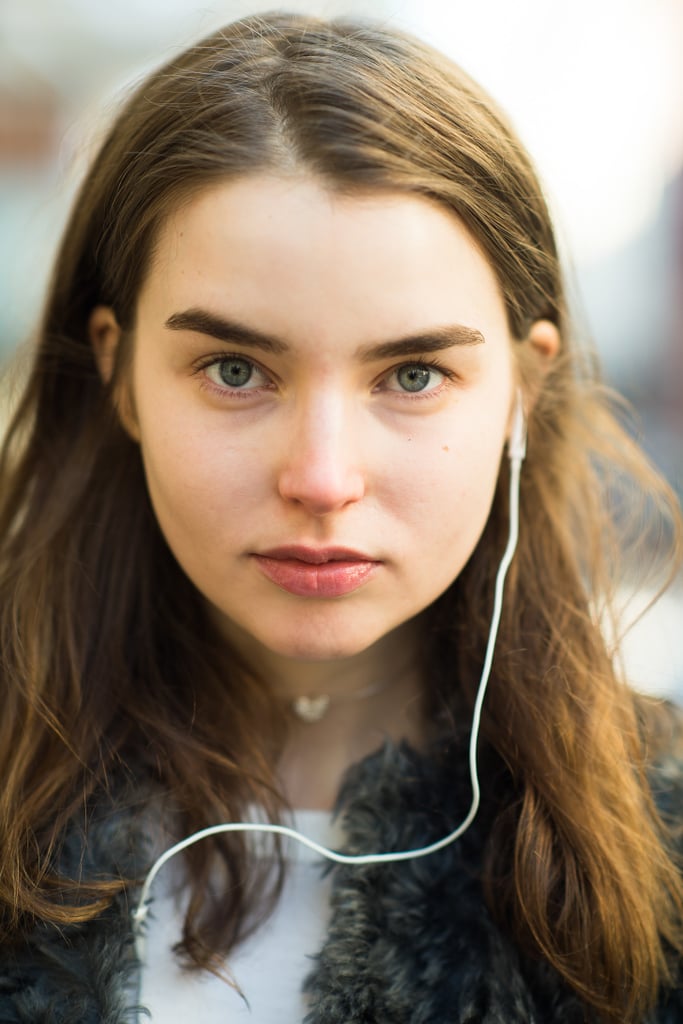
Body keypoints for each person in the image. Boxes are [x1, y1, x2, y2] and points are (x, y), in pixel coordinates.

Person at [0, 11, 681, 1023]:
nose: (322, 478)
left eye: (411, 373)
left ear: (521, 390)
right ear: (120, 373)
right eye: (235, 370)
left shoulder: (659, 859)